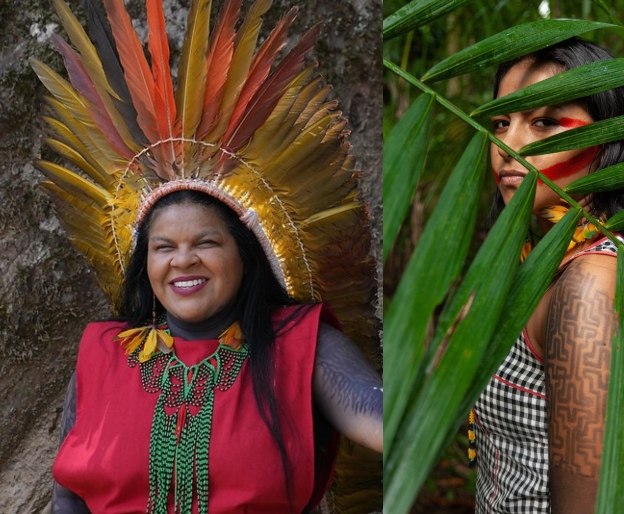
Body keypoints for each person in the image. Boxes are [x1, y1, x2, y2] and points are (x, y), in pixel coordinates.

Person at [34, 0, 381, 512]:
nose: (183, 261)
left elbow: (388, 420)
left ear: (247, 256)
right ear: (145, 264)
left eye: (206, 243)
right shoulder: (102, 351)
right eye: (164, 248)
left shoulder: (300, 343)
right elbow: (68, 493)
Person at [471, 38, 624, 513]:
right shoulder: (538, 258)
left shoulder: (593, 287)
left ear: (607, 140)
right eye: (501, 123)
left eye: (544, 122)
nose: (508, 147)